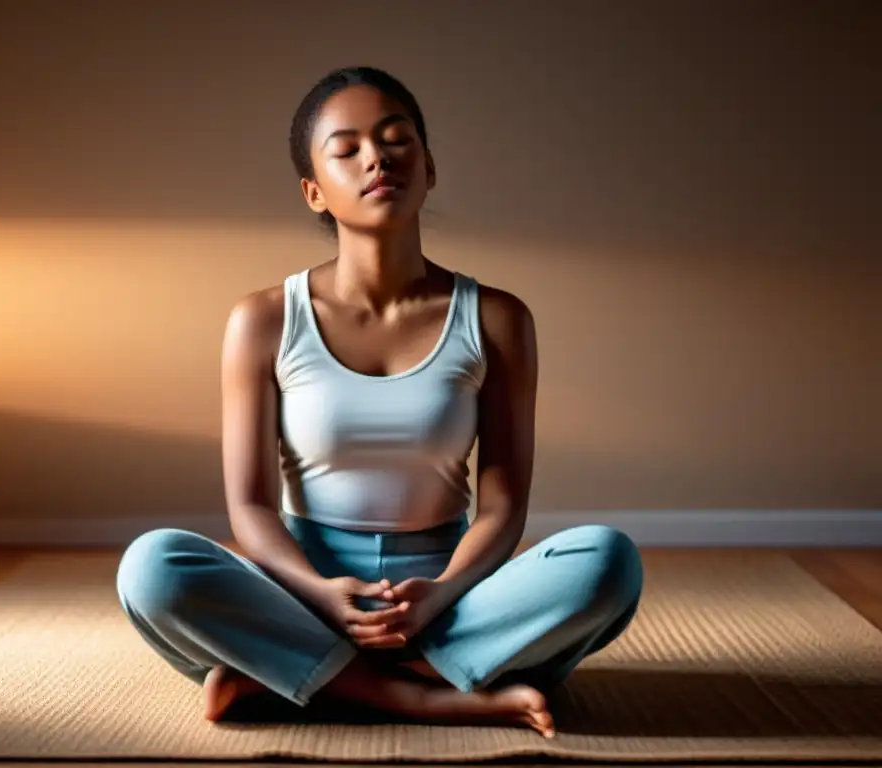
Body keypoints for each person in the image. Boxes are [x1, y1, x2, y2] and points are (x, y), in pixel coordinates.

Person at [116, 66, 644, 738]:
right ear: (313, 191)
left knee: (607, 563)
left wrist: (442, 594)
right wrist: (320, 595)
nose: (378, 157)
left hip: (448, 595)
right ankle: (423, 693)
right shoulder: (263, 319)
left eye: (398, 140)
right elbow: (249, 507)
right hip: (303, 592)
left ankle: (304, 678)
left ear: (429, 169)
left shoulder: (498, 318)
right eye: (347, 148)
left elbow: (504, 505)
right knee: (152, 569)